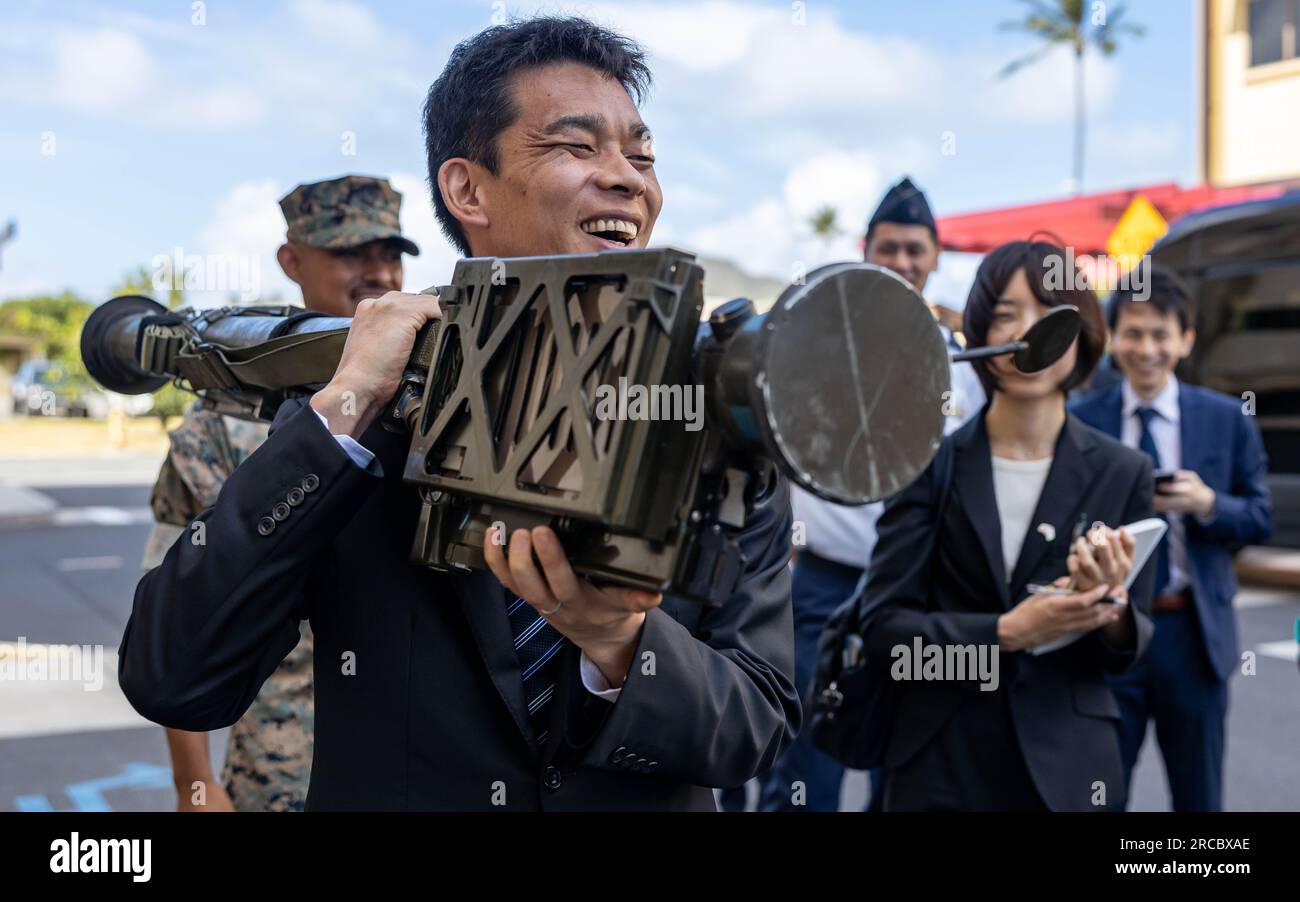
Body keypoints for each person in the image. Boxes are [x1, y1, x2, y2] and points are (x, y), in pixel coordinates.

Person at [119, 16, 799, 811]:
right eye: (578, 147)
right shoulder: (355, 421)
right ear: (467, 188)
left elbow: (756, 725)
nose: (628, 178)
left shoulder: (714, 417)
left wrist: (619, 644)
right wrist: (339, 410)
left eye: (642, 155)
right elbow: (174, 676)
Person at [143, 175, 419, 811]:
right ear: (291, 262)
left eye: (390, 253)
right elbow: (182, 603)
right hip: (281, 769)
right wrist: (196, 783)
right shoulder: (224, 423)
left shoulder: (429, 393)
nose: (378, 272)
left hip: (408, 765)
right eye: (351, 252)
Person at [857, 239, 1155, 811]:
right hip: (939, 761)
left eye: (1049, 313)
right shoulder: (929, 463)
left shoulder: (1125, 471)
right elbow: (885, 634)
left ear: (1083, 331)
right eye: (1005, 315)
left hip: (1069, 769)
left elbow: (1128, 649)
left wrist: (1109, 604)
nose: (1028, 333)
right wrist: (1007, 633)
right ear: (979, 338)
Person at [756, 176, 982, 812]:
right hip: (825, 586)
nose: (904, 263)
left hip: (920, 594)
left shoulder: (962, 367)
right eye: (890, 249)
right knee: (805, 770)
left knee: (907, 768)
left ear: (936, 257)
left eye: (916, 250)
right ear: (865, 249)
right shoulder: (818, 346)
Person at [1070, 264, 1272, 811]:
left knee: (1198, 800)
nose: (1147, 348)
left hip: (1192, 634)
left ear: (1185, 339)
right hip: (1110, 631)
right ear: (1113, 340)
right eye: (1133, 332)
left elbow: (1259, 518)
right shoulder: (1081, 420)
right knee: (1100, 794)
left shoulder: (1226, 419)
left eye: (1161, 333)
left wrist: (1209, 504)